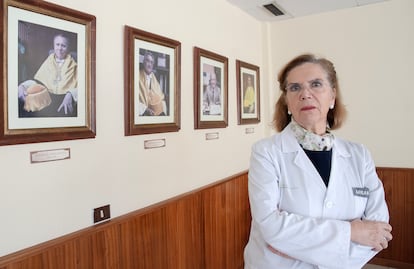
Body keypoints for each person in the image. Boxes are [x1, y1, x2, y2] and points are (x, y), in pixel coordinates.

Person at [244, 53, 392, 269]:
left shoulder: (359, 155)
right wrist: (352, 232)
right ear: (286, 100)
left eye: (316, 84)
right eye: (294, 88)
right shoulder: (266, 152)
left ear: (332, 96)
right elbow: (270, 226)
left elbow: (378, 230)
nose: (305, 94)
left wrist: (294, 245)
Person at [18, 33, 78, 117]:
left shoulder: (74, 64)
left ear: (68, 48)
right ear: (54, 46)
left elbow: (83, 87)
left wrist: (71, 94)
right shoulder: (48, 62)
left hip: (65, 102)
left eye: (63, 46)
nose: (60, 48)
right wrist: (22, 85)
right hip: (47, 101)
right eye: (57, 44)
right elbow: (38, 81)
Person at [138, 51, 167, 116]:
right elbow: (133, 101)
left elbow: (161, 98)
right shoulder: (137, 76)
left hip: (157, 114)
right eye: (147, 61)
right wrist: (145, 109)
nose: (149, 64)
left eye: (151, 62)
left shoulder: (154, 79)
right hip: (143, 114)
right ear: (143, 62)